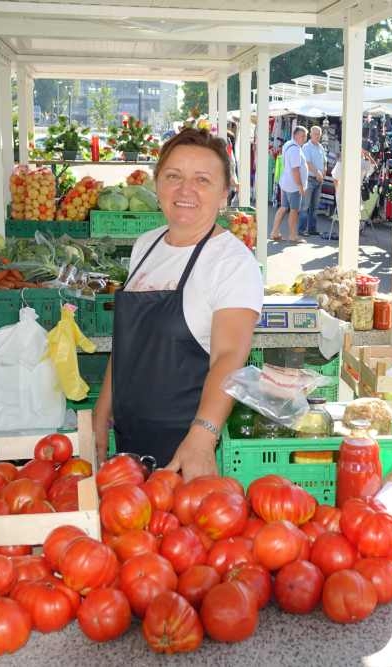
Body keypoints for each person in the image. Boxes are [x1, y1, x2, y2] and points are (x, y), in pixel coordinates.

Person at [93, 128, 264, 479]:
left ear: (224, 195)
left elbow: (229, 356)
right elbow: (128, 344)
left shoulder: (231, 262)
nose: (186, 190)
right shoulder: (146, 246)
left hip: (186, 447)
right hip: (129, 439)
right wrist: (100, 413)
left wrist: (202, 437)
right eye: (174, 176)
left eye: (202, 180)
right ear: (158, 186)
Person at [270, 127, 307, 241]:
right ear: (295, 136)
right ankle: (293, 235)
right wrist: (300, 186)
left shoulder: (288, 144)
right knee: (294, 210)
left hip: (286, 182)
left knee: (283, 207)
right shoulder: (295, 149)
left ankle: (274, 232)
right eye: (302, 136)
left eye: (305, 136)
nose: (304, 138)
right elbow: (295, 170)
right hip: (293, 185)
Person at [299, 126, 327, 237]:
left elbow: (325, 161)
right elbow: (308, 163)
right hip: (310, 179)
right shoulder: (306, 147)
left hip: (319, 180)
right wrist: (317, 173)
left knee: (314, 207)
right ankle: (301, 230)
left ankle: (312, 229)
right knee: (305, 206)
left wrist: (324, 172)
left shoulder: (321, 147)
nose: (317, 136)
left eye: (319, 134)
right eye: (315, 134)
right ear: (311, 134)